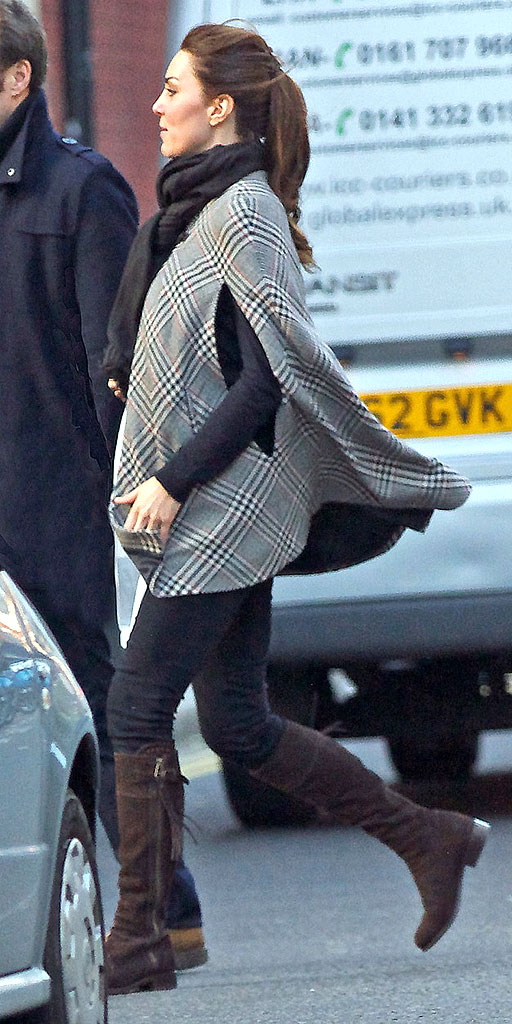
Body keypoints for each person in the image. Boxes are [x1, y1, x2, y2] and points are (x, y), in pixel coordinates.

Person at [104, 23, 489, 997]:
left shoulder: (242, 215)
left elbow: (268, 380)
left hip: (224, 507)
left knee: (136, 706)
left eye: (172, 88)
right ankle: (429, 836)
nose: (156, 104)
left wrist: (172, 478)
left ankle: (140, 937)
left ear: (219, 106)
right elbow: (208, 360)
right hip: (221, 499)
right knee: (237, 722)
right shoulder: (196, 210)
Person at [0, 0, 206, 970]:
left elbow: (118, 362)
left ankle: (163, 913)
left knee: (93, 697)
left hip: (55, 498)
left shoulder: (82, 192)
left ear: (17, 78)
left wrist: (132, 487)